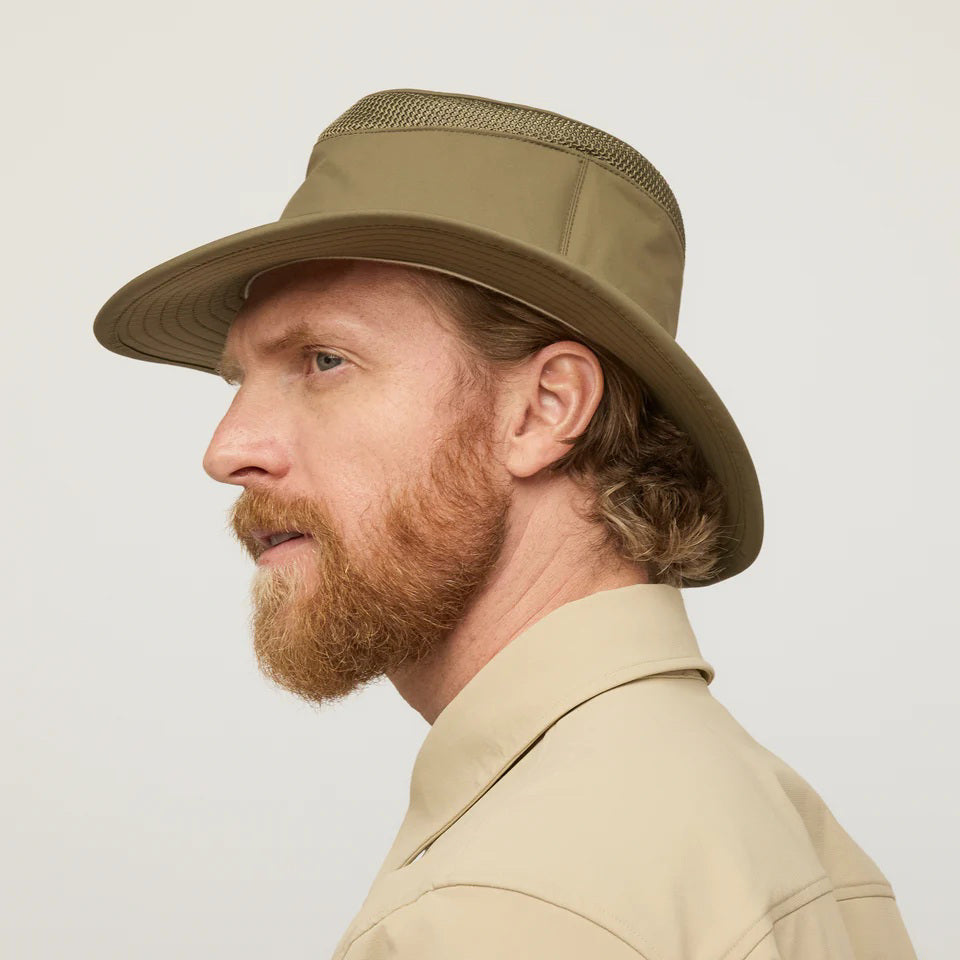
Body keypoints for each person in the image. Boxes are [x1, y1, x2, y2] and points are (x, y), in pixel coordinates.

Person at [93, 88, 918, 959]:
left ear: (544, 409)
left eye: (324, 361)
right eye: (237, 381)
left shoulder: (504, 905)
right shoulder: (769, 822)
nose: (227, 450)